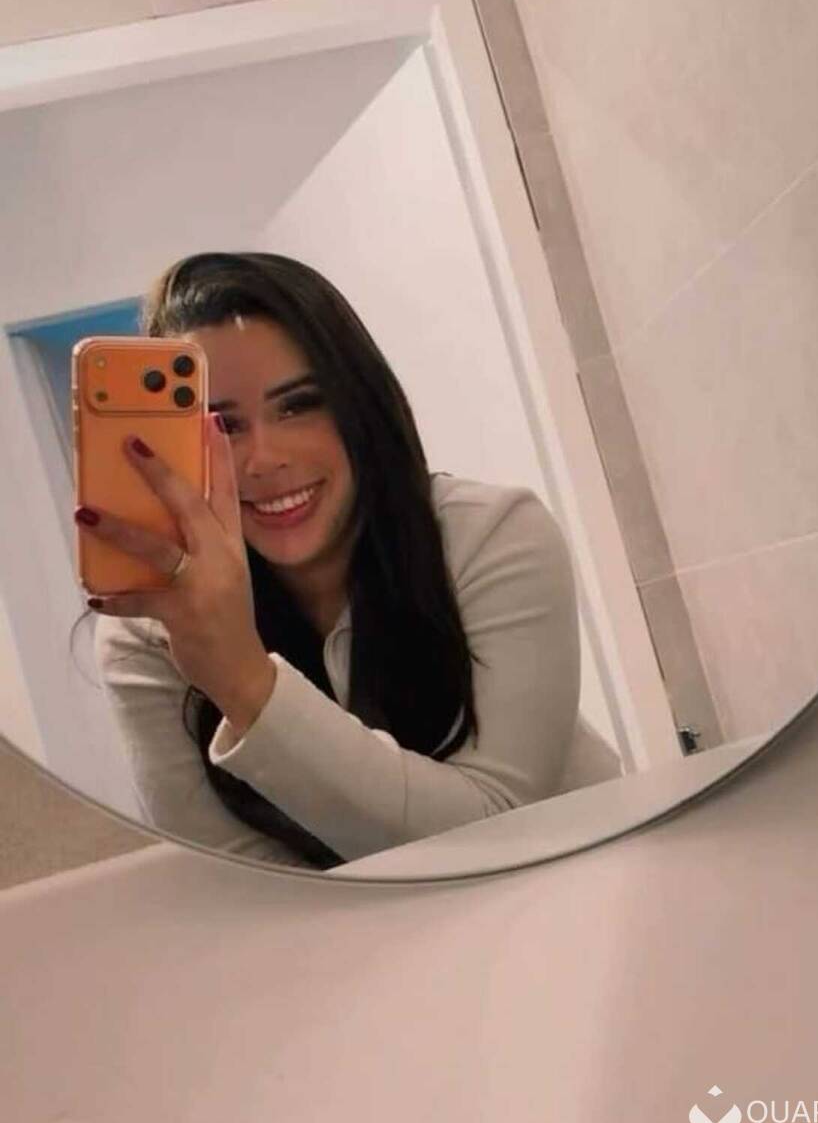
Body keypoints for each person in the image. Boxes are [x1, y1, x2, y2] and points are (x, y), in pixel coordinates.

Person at [82, 252, 620, 870]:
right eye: (221, 426)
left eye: (298, 405)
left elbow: (499, 827)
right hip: (357, 937)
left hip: (586, 889)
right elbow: (238, 880)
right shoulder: (150, 633)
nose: (264, 458)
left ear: (359, 404)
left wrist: (243, 680)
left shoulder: (492, 535)